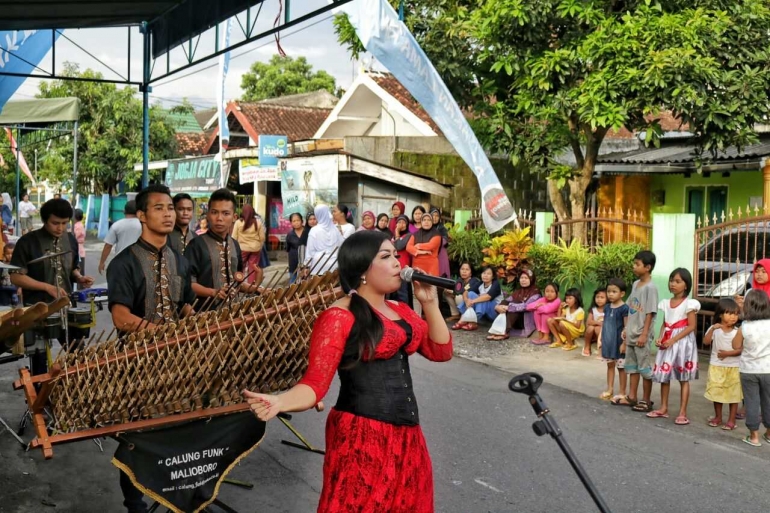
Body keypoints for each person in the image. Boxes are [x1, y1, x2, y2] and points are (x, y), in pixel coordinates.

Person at [243, 230, 452, 512]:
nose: (397, 263)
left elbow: (441, 352)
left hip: (409, 437)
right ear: (362, 268)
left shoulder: (401, 309)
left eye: (395, 255)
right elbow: (315, 384)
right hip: (362, 436)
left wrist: (429, 303)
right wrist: (280, 401)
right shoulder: (339, 316)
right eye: (385, 256)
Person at [106, 184, 196, 513]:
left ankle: (178, 494)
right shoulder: (125, 263)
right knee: (137, 437)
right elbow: (120, 317)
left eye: (170, 207)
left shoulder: (179, 260)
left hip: (177, 365)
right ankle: (134, 503)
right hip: (136, 366)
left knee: (179, 432)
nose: (168, 213)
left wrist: (195, 324)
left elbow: (185, 306)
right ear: (142, 216)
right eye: (159, 208)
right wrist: (160, 335)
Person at [10, 198, 94, 375]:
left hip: (66, 305)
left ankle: (74, 394)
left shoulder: (70, 239)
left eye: (65, 223)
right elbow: (16, 277)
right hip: (37, 309)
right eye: (55, 223)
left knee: (78, 356)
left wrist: (79, 277)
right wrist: (46, 287)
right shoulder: (27, 242)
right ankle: (40, 397)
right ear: (44, 220)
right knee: (39, 359)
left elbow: (72, 268)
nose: (60, 228)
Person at [185, 189, 259, 309]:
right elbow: (188, 284)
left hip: (232, 313)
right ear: (208, 214)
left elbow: (237, 282)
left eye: (225, 213)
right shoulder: (196, 245)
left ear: (234, 217)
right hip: (204, 315)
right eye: (214, 212)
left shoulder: (235, 245)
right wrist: (213, 292)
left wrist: (259, 289)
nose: (219, 218)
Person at [646, 268, 700, 424]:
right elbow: (665, 323)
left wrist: (674, 339)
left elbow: (691, 326)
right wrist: (660, 337)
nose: (673, 284)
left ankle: (683, 412)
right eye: (671, 280)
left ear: (686, 285)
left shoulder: (690, 304)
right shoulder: (665, 303)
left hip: (682, 343)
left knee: (683, 378)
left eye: (678, 281)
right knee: (665, 376)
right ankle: (663, 408)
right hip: (668, 341)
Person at [731, 289, 770, 447]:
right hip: (768, 369)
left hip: (748, 370)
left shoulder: (745, 326)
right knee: (768, 401)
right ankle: (769, 433)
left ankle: (754, 437)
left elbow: (735, 345)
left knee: (752, 402)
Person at [622, 250, 659, 413]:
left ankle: (646, 400)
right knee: (631, 367)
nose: (634, 267)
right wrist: (626, 328)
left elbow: (650, 313)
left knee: (644, 368)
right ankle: (632, 396)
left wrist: (644, 334)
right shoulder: (635, 285)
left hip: (641, 335)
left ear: (648, 267)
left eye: (637, 264)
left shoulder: (651, 288)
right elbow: (631, 307)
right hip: (631, 333)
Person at [703, 298, 743, 431]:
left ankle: (731, 420)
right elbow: (706, 342)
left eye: (736, 314)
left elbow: (741, 349)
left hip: (733, 367)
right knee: (717, 392)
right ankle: (718, 417)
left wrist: (728, 353)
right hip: (716, 366)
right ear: (720, 314)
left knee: (733, 395)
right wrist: (712, 329)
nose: (733, 317)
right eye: (730, 313)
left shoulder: (738, 331)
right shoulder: (715, 329)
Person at [487, 269, 540, 341]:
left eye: (526, 278)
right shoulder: (518, 291)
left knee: (514, 304)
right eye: (521, 278)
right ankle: (498, 330)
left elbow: (527, 306)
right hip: (515, 320)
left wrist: (509, 307)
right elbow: (507, 300)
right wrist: (499, 306)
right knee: (505, 303)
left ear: (531, 279)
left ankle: (503, 331)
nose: (523, 280)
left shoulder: (535, 292)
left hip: (525, 321)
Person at [601, 279, 629, 403]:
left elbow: (626, 327)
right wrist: (600, 339)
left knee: (621, 367)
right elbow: (604, 324)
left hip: (619, 344)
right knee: (610, 365)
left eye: (614, 291)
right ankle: (610, 389)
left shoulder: (624, 308)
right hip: (608, 342)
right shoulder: (607, 307)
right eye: (609, 291)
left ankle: (622, 392)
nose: (610, 294)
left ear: (622, 294)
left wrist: (624, 343)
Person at [97, 200, 142, 274]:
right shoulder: (145, 226)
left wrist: (102, 263)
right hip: (140, 263)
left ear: (124, 211)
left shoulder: (117, 225)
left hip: (121, 263)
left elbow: (108, 246)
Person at [232, 204, 266, 285]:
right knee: (253, 268)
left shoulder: (238, 222)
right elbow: (262, 237)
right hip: (255, 249)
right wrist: (259, 246)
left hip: (242, 249)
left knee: (240, 267)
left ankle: (240, 285)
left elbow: (234, 237)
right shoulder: (258, 223)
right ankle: (251, 287)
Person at [305, 204, 344, 275]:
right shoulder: (335, 229)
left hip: (318, 266)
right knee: (334, 286)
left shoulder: (314, 230)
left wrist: (307, 266)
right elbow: (343, 245)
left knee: (320, 286)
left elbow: (310, 251)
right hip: (334, 266)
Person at [406, 212, 441, 277]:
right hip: (417, 266)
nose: (426, 222)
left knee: (431, 285)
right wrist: (420, 252)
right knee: (417, 285)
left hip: (431, 266)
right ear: (421, 222)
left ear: (432, 222)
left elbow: (431, 246)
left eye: (429, 220)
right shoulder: (416, 234)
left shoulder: (436, 234)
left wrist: (418, 245)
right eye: (424, 220)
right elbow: (408, 247)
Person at [392, 214, 413, 304]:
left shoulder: (409, 235)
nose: (401, 224)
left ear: (407, 224)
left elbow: (398, 246)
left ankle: (405, 314)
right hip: (393, 266)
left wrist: (397, 232)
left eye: (404, 222)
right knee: (393, 291)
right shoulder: (392, 237)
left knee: (402, 292)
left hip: (403, 266)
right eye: (399, 222)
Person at [429, 207, 451, 279]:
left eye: (437, 216)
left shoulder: (442, 229)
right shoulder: (426, 228)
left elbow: (444, 241)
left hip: (441, 255)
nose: (435, 218)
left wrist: (433, 242)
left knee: (441, 277)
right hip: (429, 256)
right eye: (433, 215)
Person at [584, 288, 606, 357]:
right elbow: (588, 322)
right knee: (590, 328)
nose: (599, 299)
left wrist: (595, 323)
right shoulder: (593, 310)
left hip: (603, 334)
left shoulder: (609, 310)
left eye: (602, 297)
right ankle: (587, 346)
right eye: (597, 297)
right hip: (592, 334)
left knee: (598, 329)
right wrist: (599, 323)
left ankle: (600, 347)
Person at [286, 212, 307, 283]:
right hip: (293, 261)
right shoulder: (290, 235)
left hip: (306, 261)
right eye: (294, 221)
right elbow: (287, 248)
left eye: (298, 220)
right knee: (292, 280)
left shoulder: (308, 232)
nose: (296, 223)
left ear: (302, 221)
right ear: (291, 223)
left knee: (305, 281)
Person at [0, 242, 19, 306]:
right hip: (3, 288)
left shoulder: (17, 265)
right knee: (4, 305)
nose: (10, 256)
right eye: (8, 253)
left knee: (14, 303)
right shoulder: (2, 265)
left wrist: (20, 288)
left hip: (14, 289)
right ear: (4, 254)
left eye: (12, 254)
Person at [73, 208, 87, 278]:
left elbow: (74, 237)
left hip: (78, 251)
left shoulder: (77, 226)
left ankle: (81, 288)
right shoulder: (80, 224)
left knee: (79, 273)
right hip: (80, 250)